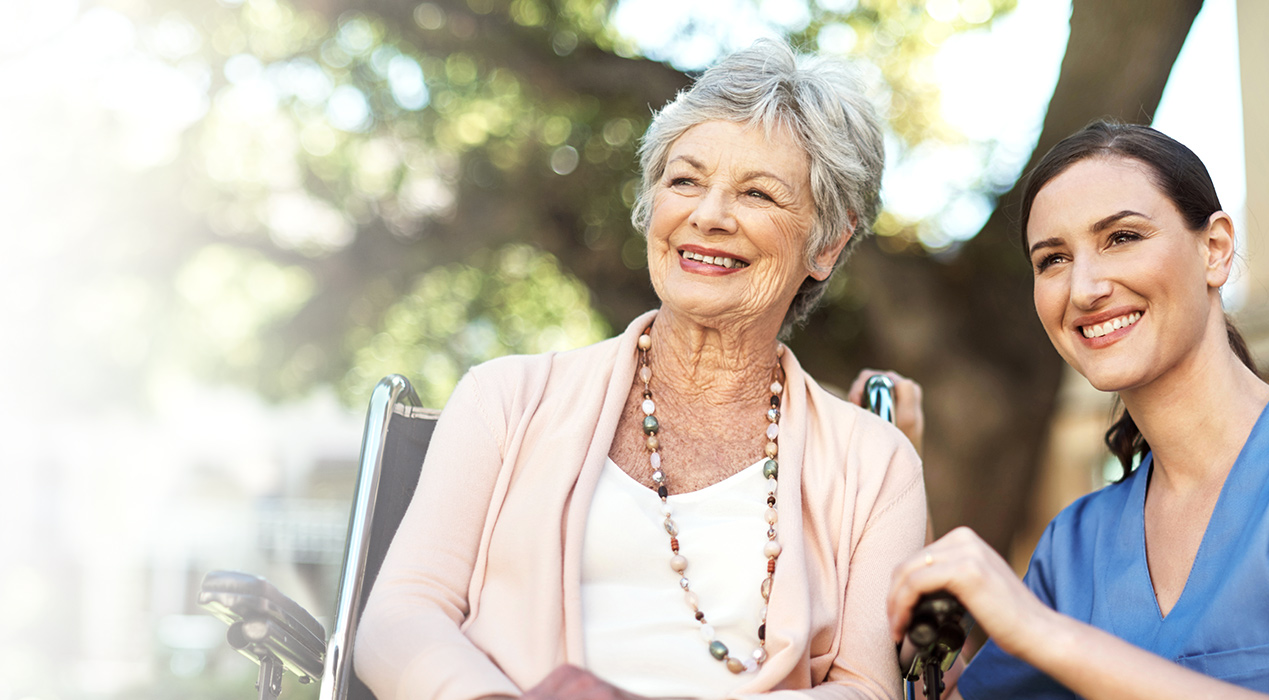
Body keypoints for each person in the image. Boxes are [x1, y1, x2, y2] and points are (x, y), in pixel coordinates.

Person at [353, 39, 927, 700]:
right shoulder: (505, 398)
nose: (708, 216)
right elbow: (399, 617)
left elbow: (867, 689)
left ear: (827, 243)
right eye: (684, 180)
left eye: (758, 193)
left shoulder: (875, 463)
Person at [884, 121, 1269, 700]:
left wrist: (1047, 634)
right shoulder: (1075, 547)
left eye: (1121, 237)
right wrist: (896, 476)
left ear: (1215, 249)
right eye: (1053, 259)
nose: (1084, 288)